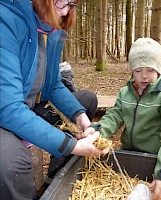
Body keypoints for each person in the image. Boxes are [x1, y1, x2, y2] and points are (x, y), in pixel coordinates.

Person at [0, 0, 107, 199]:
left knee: (87, 101)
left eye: (71, 4)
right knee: (10, 162)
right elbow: (8, 107)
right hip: (6, 111)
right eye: (61, 2)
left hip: (28, 106)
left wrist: (79, 116)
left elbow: (52, 85)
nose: (66, 11)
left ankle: (58, 174)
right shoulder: (6, 19)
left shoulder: (52, 29)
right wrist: (72, 145)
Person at [88, 38, 161, 200]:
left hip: (155, 158)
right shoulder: (125, 93)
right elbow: (114, 116)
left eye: (149, 70)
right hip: (128, 153)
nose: (144, 76)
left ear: (158, 69)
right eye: (137, 70)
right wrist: (98, 132)